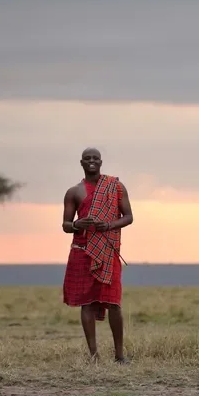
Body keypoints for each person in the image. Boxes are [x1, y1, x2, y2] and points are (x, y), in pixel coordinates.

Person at [61, 147, 133, 363]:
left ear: (101, 162)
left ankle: (119, 355)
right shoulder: (73, 192)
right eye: (87, 159)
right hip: (83, 251)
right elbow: (65, 225)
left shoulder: (116, 187)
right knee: (87, 303)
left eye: (95, 158)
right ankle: (94, 356)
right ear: (81, 163)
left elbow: (128, 217)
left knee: (114, 303)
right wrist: (76, 224)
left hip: (108, 250)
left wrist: (109, 224)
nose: (91, 161)